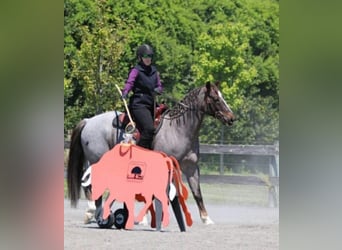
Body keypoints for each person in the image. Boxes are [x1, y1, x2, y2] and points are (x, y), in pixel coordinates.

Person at [121, 44, 163, 150]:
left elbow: (159, 86)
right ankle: (139, 152)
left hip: (152, 104)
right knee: (149, 129)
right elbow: (130, 83)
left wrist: (158, 90)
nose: (148, 59)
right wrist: (125, 91)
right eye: (145, 56)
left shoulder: (154, 71)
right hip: (139, 104)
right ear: (140, 57)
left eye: (150, 56)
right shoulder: (136, 70)